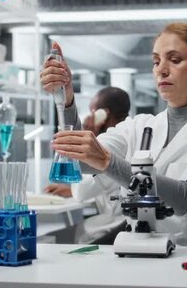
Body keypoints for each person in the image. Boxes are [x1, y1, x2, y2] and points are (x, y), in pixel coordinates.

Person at [40, 23, 187, 246]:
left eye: (175, 60)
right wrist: (66, 98)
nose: (161, 70)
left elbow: (186, 199)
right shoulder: (138, 126)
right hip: (138, 252)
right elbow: (80, 161)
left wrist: (107, 162)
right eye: (156, 62)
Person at [44, 87, 130, 243]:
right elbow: (107, 185)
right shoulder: (126, 134)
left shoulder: (111, 145)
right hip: (113, 223)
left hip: (116, 228)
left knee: (47, 240)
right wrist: (69, 190)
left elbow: (81, 192)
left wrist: (90, 139)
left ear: (103, 114)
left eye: (92, 110)